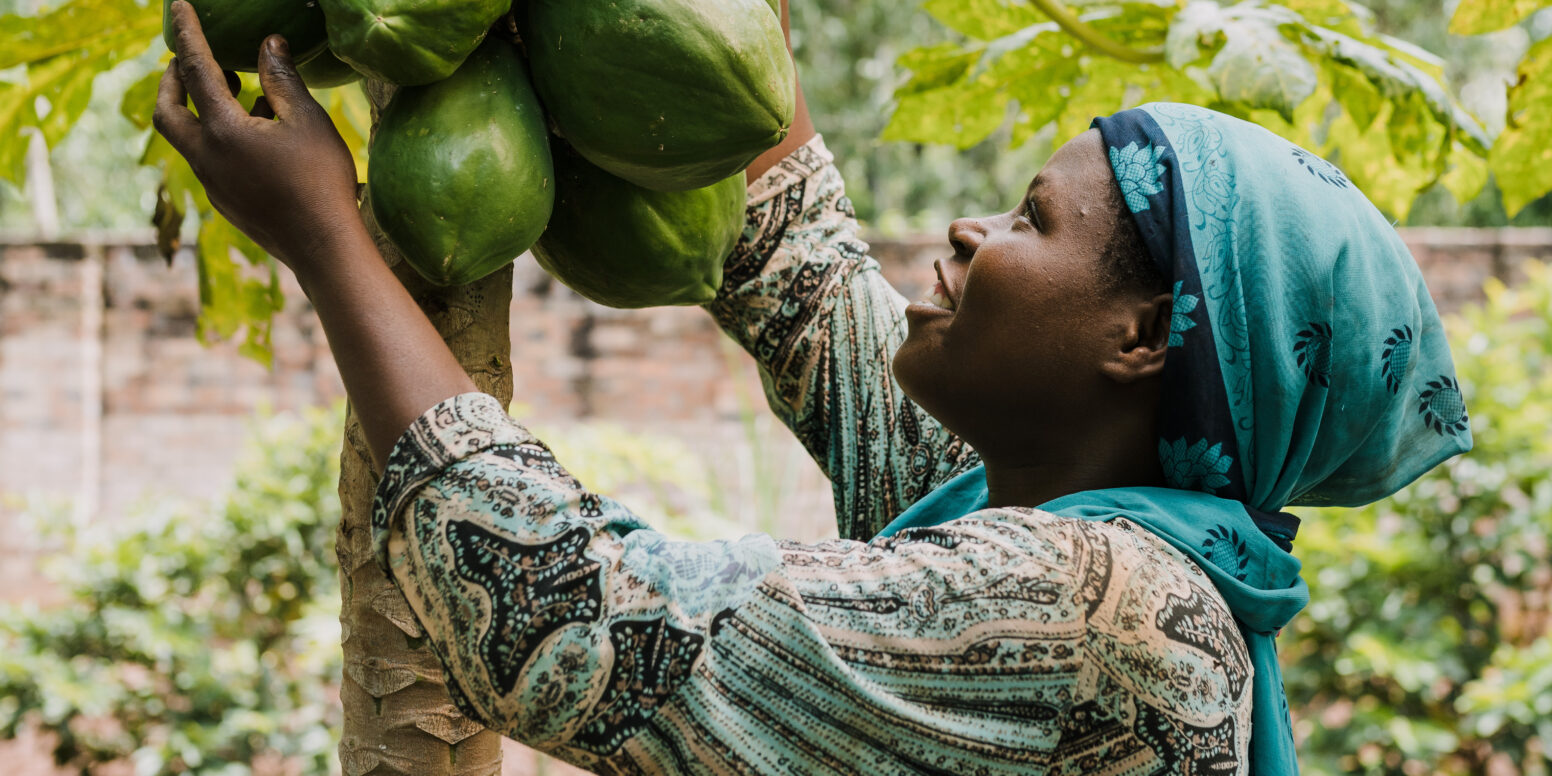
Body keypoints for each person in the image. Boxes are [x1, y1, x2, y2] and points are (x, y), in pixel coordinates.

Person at [152, 1, 1470, 773]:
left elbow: (576, 630)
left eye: (1030, 219)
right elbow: (790, 250)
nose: (967, 236)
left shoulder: (1110, 613)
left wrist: (328, 236)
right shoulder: (982, 491)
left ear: (1142, 337)